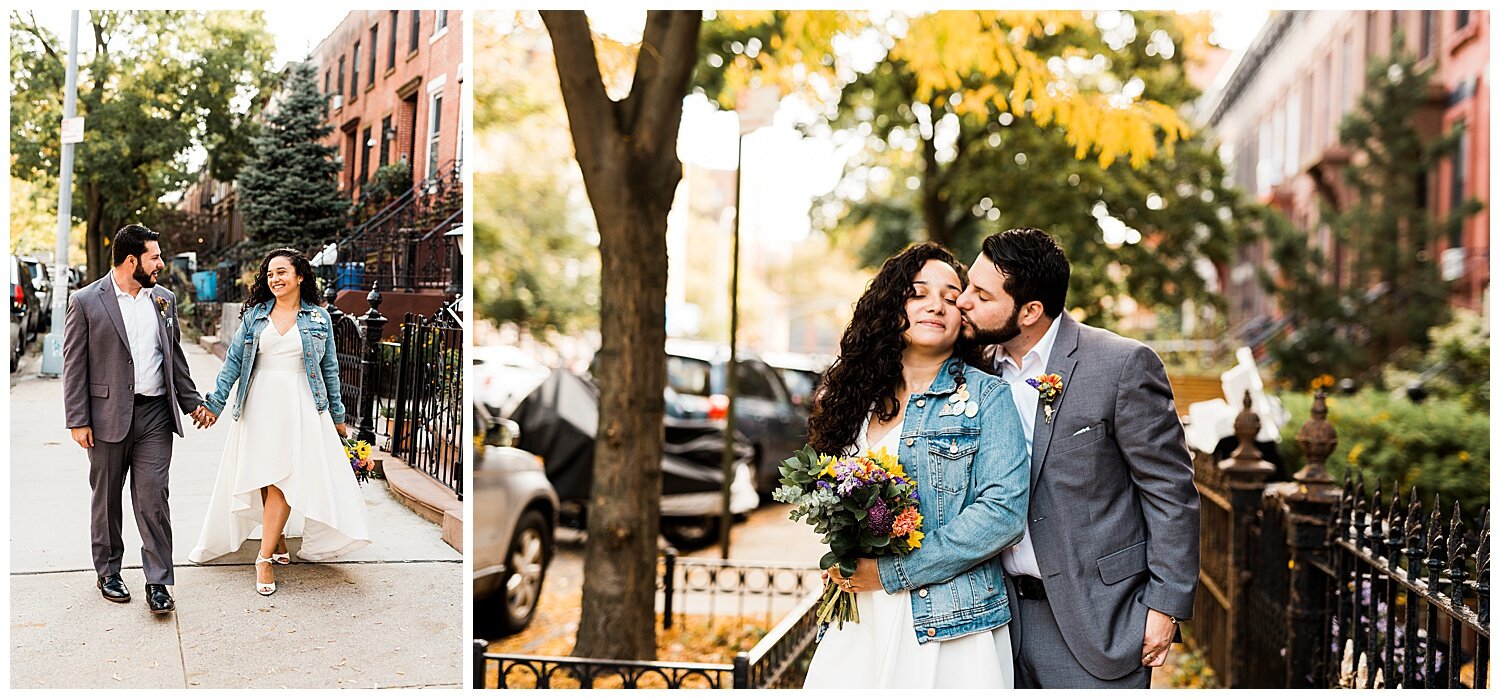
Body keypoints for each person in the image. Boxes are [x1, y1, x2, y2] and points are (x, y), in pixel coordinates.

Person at [961, 227, 1199, 688]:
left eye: (981, 294)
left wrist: (1166, 605)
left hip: (1099, 619)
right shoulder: (976, 368)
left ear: (1030, 311)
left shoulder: (1121, 365)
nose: (964, 300)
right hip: (995, 621)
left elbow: (1170, 491)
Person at [804, 242, 1030, 688]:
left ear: (964, 319)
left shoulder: (988, 397)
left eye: (951, 297)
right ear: (892, 306)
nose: (936, 306)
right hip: (859, 614)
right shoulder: (855, 401)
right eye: (919, 293)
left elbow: (1002, 515)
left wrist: (889, 574)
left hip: (953, 622)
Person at [188, 247, 370, 595]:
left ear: (300, 275)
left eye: (282, 272)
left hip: (300, 403)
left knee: (282, 479)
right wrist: (215, 403)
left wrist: (338, 417)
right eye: (270, 274)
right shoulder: (255, 316)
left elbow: (329, 370)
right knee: (261, 472)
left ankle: (264, 557)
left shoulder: (319, 318)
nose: (275, 279)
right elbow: (233, 363)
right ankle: (280, 537)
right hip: (259, 402)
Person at [63, 224, 211, 615]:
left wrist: (192, 401)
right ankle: (109, 571)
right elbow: (74, 365)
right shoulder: (86, 301)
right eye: (155, 256)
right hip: (106, 416)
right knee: (107, 498)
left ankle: (159, 581)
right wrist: (78, 418)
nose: (161, 263)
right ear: (133, 260)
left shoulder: (163, 299)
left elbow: (173, 357)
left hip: (155, 416)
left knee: (153, 498)